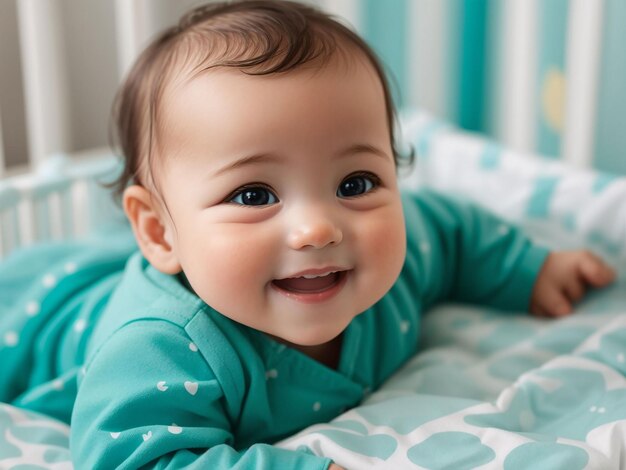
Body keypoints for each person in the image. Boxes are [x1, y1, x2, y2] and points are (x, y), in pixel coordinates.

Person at [1, 1, 614, 468]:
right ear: (161, 234)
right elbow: (132, 458)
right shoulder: (160, 350)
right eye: (254, 195)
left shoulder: (399, 253)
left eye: (355, 182)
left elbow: (454, 229)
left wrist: (529, 269)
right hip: (27, 315)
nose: (319, 226)